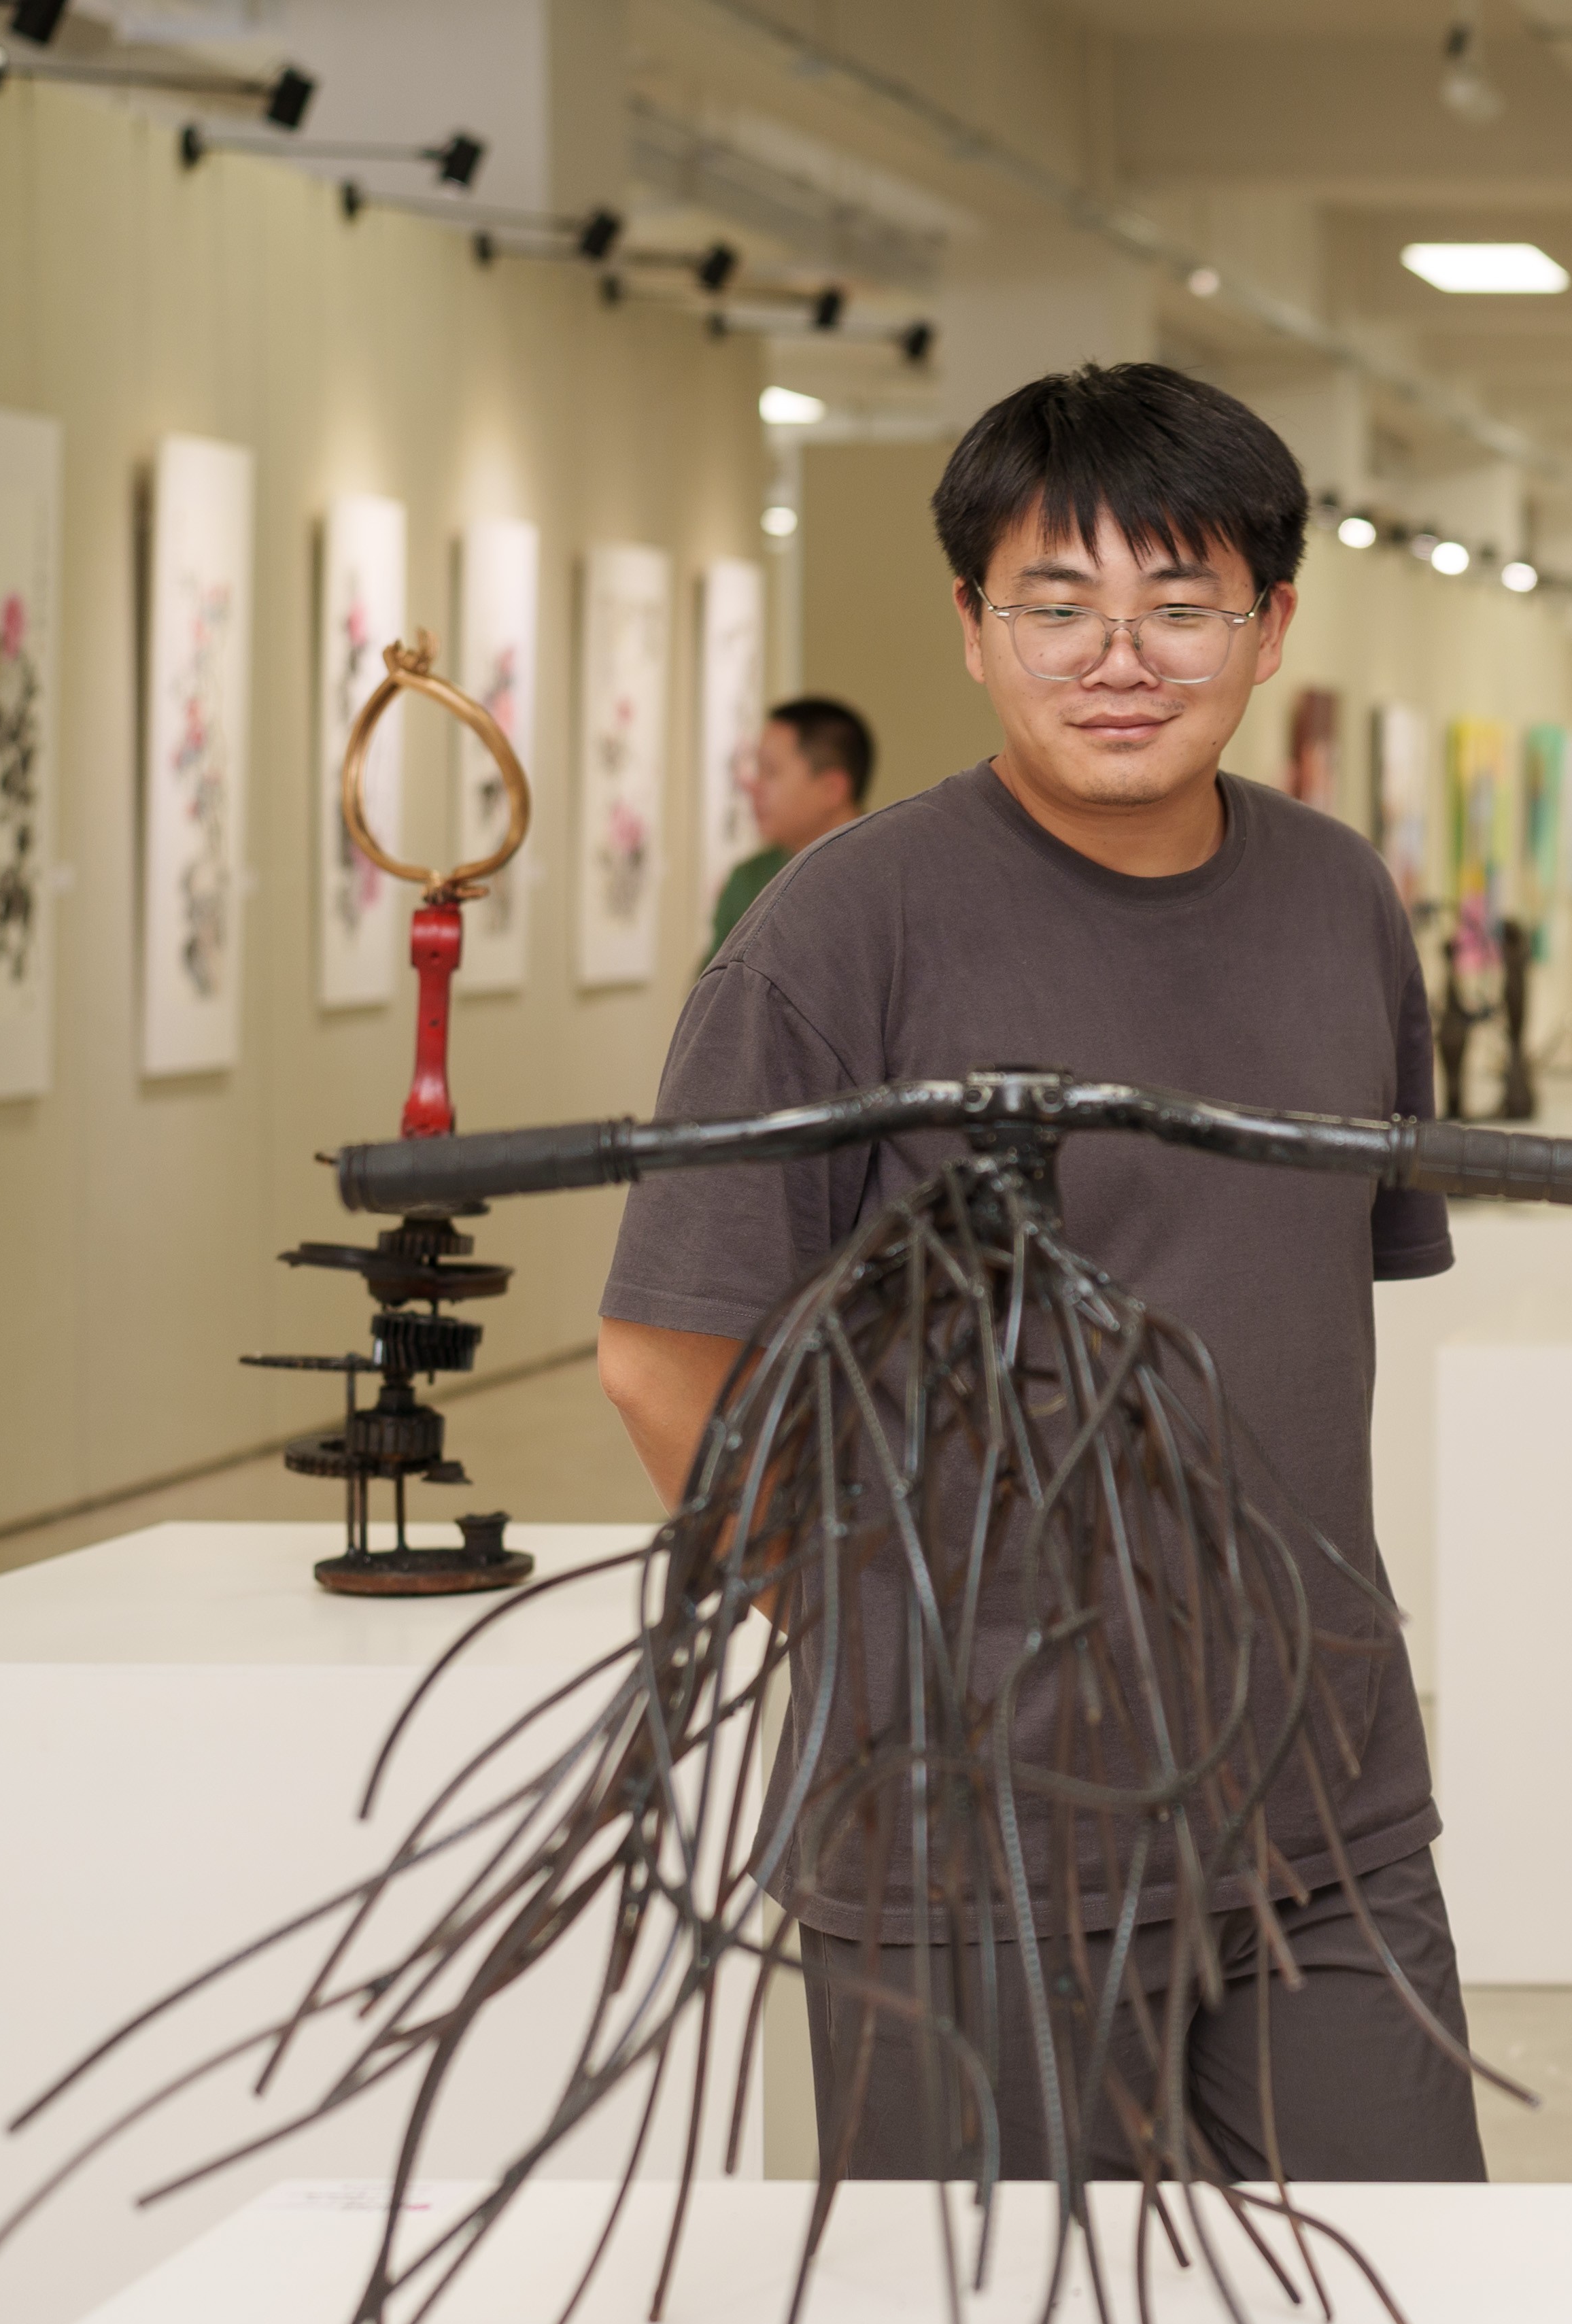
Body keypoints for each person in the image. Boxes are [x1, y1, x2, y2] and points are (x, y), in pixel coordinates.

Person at [594, 362, 1482, 2187]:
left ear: (1270, 629)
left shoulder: (1341, 903)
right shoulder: (840, 929)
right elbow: (663, 1354)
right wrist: (874, 1636)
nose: (1119, 658)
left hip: (1324, 1802)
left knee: (1410, 2310)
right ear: (973, 628)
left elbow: (1310, 1307)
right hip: (969, 1826)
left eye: (1181, 606)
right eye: (1056, 604)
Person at [707, 691, 872, 954]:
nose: (752, 787)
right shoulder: (748, 882)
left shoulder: (895, 877)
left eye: (770, 771)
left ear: (832, 789)